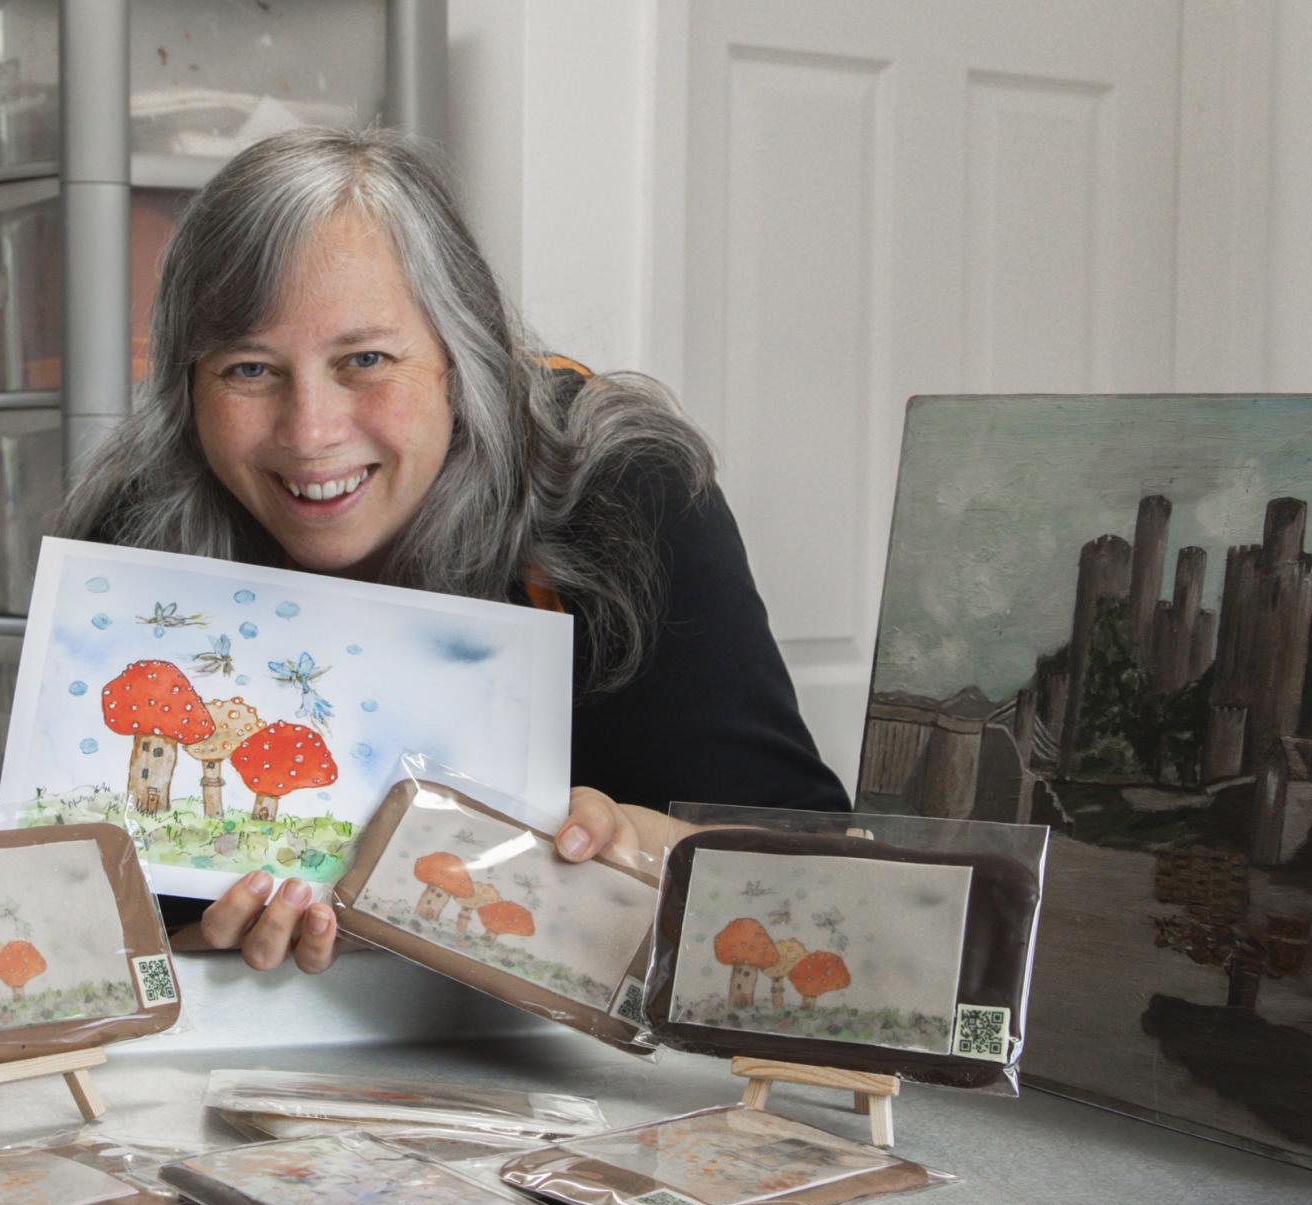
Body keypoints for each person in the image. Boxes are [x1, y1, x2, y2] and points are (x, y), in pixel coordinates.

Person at [59, 127, 847, 974]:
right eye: (249, 370)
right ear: (186, 386)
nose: (311, 433)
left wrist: (656, 854)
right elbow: (77, 941)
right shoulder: (139, 537)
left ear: (461, 358)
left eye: (365, 359)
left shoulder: (622, 499)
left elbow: (819, 885)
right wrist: (190, 963)